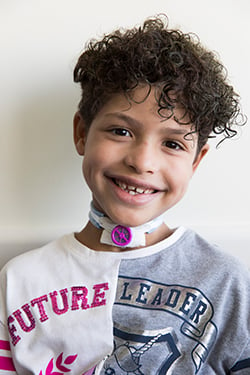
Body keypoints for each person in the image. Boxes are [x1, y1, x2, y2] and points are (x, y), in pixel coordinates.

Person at [0, 15, 249, 375]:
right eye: (120, 131)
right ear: (82, 133)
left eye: (173, 143)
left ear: (196, 162)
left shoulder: (226, 283)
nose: (142, 162)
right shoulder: (20, 281)